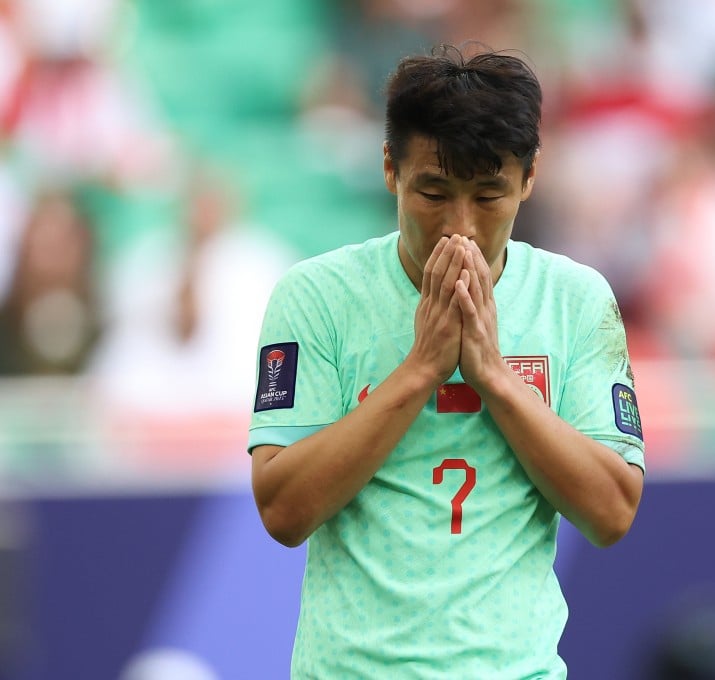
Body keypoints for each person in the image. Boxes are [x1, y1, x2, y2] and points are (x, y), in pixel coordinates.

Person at [247, 43, 645, 679]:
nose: (459, 227)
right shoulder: (316, 297)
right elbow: (283, 511)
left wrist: (493, 376)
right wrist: (420, 370)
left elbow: (612, 511)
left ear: (529, 178)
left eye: (489, 197)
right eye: (433, 191)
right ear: (389, 170)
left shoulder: (576, 301)